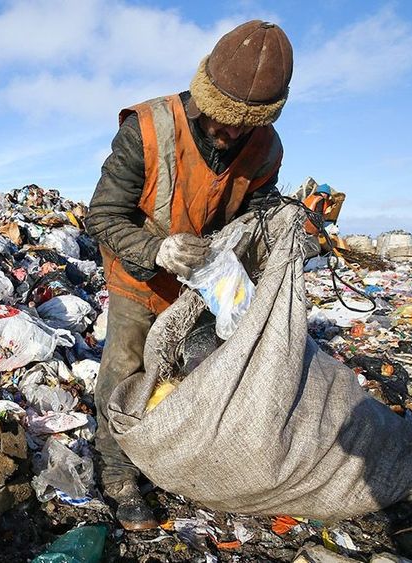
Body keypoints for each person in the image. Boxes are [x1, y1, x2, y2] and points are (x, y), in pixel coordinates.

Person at [85, 20, 293, 530]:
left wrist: (282, 230)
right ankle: (116, 475)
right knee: (124, 367)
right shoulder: (148, 128)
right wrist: (158, 249)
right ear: (204, 97)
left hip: (206, 281)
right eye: (222, 121)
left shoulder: (266, 148)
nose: (230, 133)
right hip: (140, 273)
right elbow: (103, 215)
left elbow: (256, 213)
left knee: (202, 370)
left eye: (243, 126)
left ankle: (179, 458)